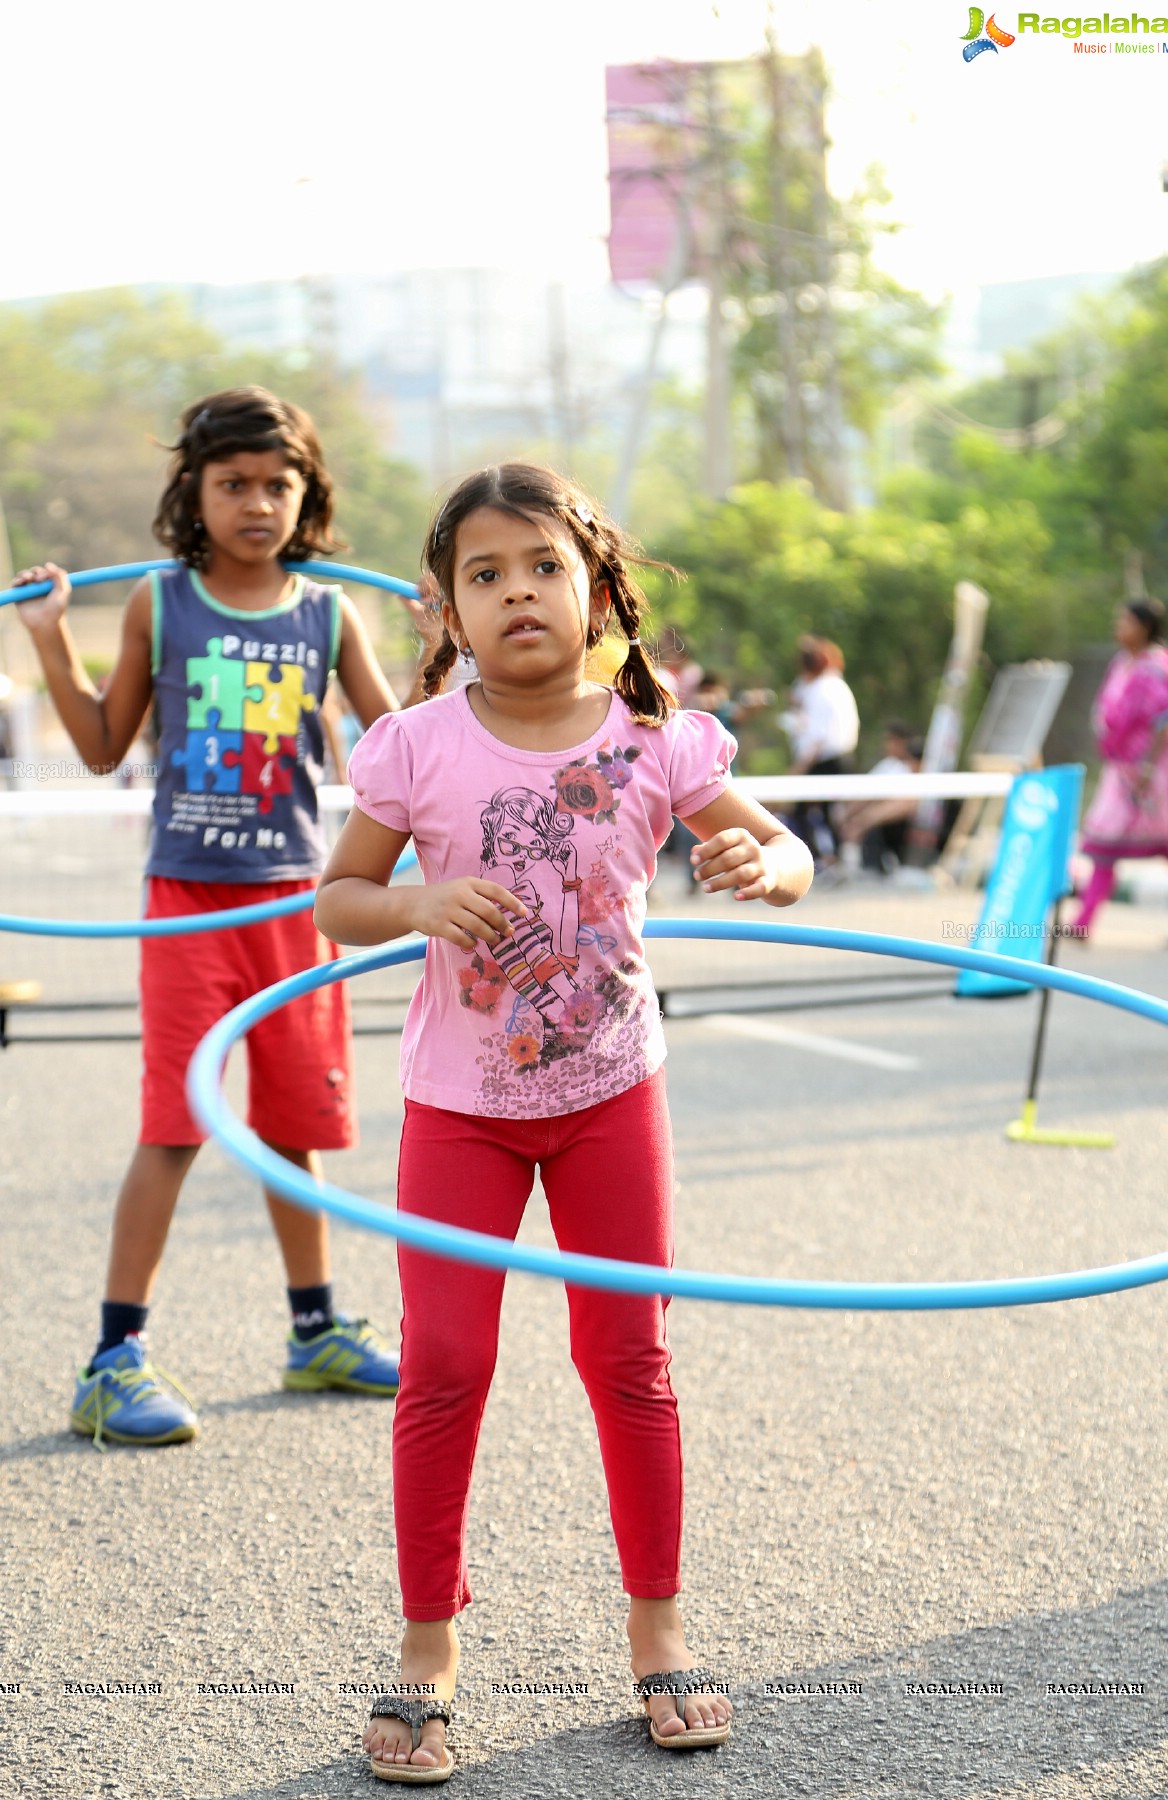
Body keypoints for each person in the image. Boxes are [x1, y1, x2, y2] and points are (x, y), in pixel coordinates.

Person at [313, 462, 814, 1781]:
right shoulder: (417, 744)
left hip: (609, 1100)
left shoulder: (654, 737)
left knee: (630, 1360)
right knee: (445, 1365)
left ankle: (660, 1632)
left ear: (595, 588)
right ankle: (430, 1647)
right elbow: (340, 900)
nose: (519, 591)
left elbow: (789, 851)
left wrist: (765, 865)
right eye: (486, 574)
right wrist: (415, 907)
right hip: (462, 1110)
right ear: (445, 612)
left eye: (543, 565)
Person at [13, 387, 403, 1448]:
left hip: (296, 899)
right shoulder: (160, 602)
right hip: (186, 901)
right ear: (194, 490)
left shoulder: (329, 612)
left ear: (306, 495)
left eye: (279, 485)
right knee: (175, 1126)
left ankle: (315, 1330)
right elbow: (101, 744)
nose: (258, 503)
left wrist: (449, 648)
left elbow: (402, 754)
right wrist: (51, 642)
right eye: (233, 484)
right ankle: (114, 1356)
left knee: (295, 1124)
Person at [1072, 597, 1168, 941]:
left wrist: (1146, 767)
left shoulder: (1159, 666)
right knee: (1104, 844)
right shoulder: (1122, 663)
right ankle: (1083, 921)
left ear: (1144, 627)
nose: (1119, 628)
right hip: (1121, 770)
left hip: (1154, 773)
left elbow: (1167, 722)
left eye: (1125, 621)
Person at [779, 635, 859, 868]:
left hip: (825, 759)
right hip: (840, 756)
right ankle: (834, 860)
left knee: (804, 811)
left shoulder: (821, 690)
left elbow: (818, 737)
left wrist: (799, 768)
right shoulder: (835, 685)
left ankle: (821, 861)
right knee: (828, 812)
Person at [837, 724, 923, 875]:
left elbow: (908, 804)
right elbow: (867, 793)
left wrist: (865, 819)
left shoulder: (911, 769)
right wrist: (848, 814)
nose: (887, 745)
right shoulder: (889, 765)